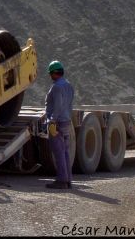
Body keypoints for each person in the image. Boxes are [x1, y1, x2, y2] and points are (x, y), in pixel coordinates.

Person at [44, 60, 74, 189]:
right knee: (65, 151)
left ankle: (62, 180)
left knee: (58, 152)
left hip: (57, 122)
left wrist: (52, 120)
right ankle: (68, 180)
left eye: (50, 74)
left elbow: (58, 105)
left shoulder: (56, 87)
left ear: (54, 73)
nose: (50, 76)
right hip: (66, 121)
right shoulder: (69, 85)